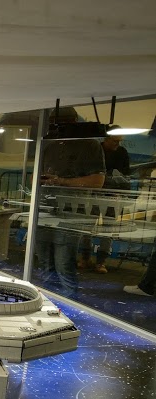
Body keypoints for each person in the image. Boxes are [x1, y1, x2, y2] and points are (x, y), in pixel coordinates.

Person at [35, 109, 106, 298]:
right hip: (45, 210)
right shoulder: (50, 145)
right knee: (45, 262)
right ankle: (48, 300)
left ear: (74, 121)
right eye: (53, 123)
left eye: (61, 123)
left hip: (71, 212)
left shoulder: (89, 145)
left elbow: (97, 181)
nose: (57, 127)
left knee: (64, 264)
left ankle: (68, 305)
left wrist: (61, 181)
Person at [78, 130, 132, 273]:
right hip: (98, 194)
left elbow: (126, 175)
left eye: (119, 141)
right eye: (115, 141)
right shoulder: (98, 151)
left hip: (110, 195)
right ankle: (87, 258)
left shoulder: (119, 152)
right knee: (89, 227)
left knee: (106, 229)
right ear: (106, 139)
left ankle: (99, 261)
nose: (117, 144)